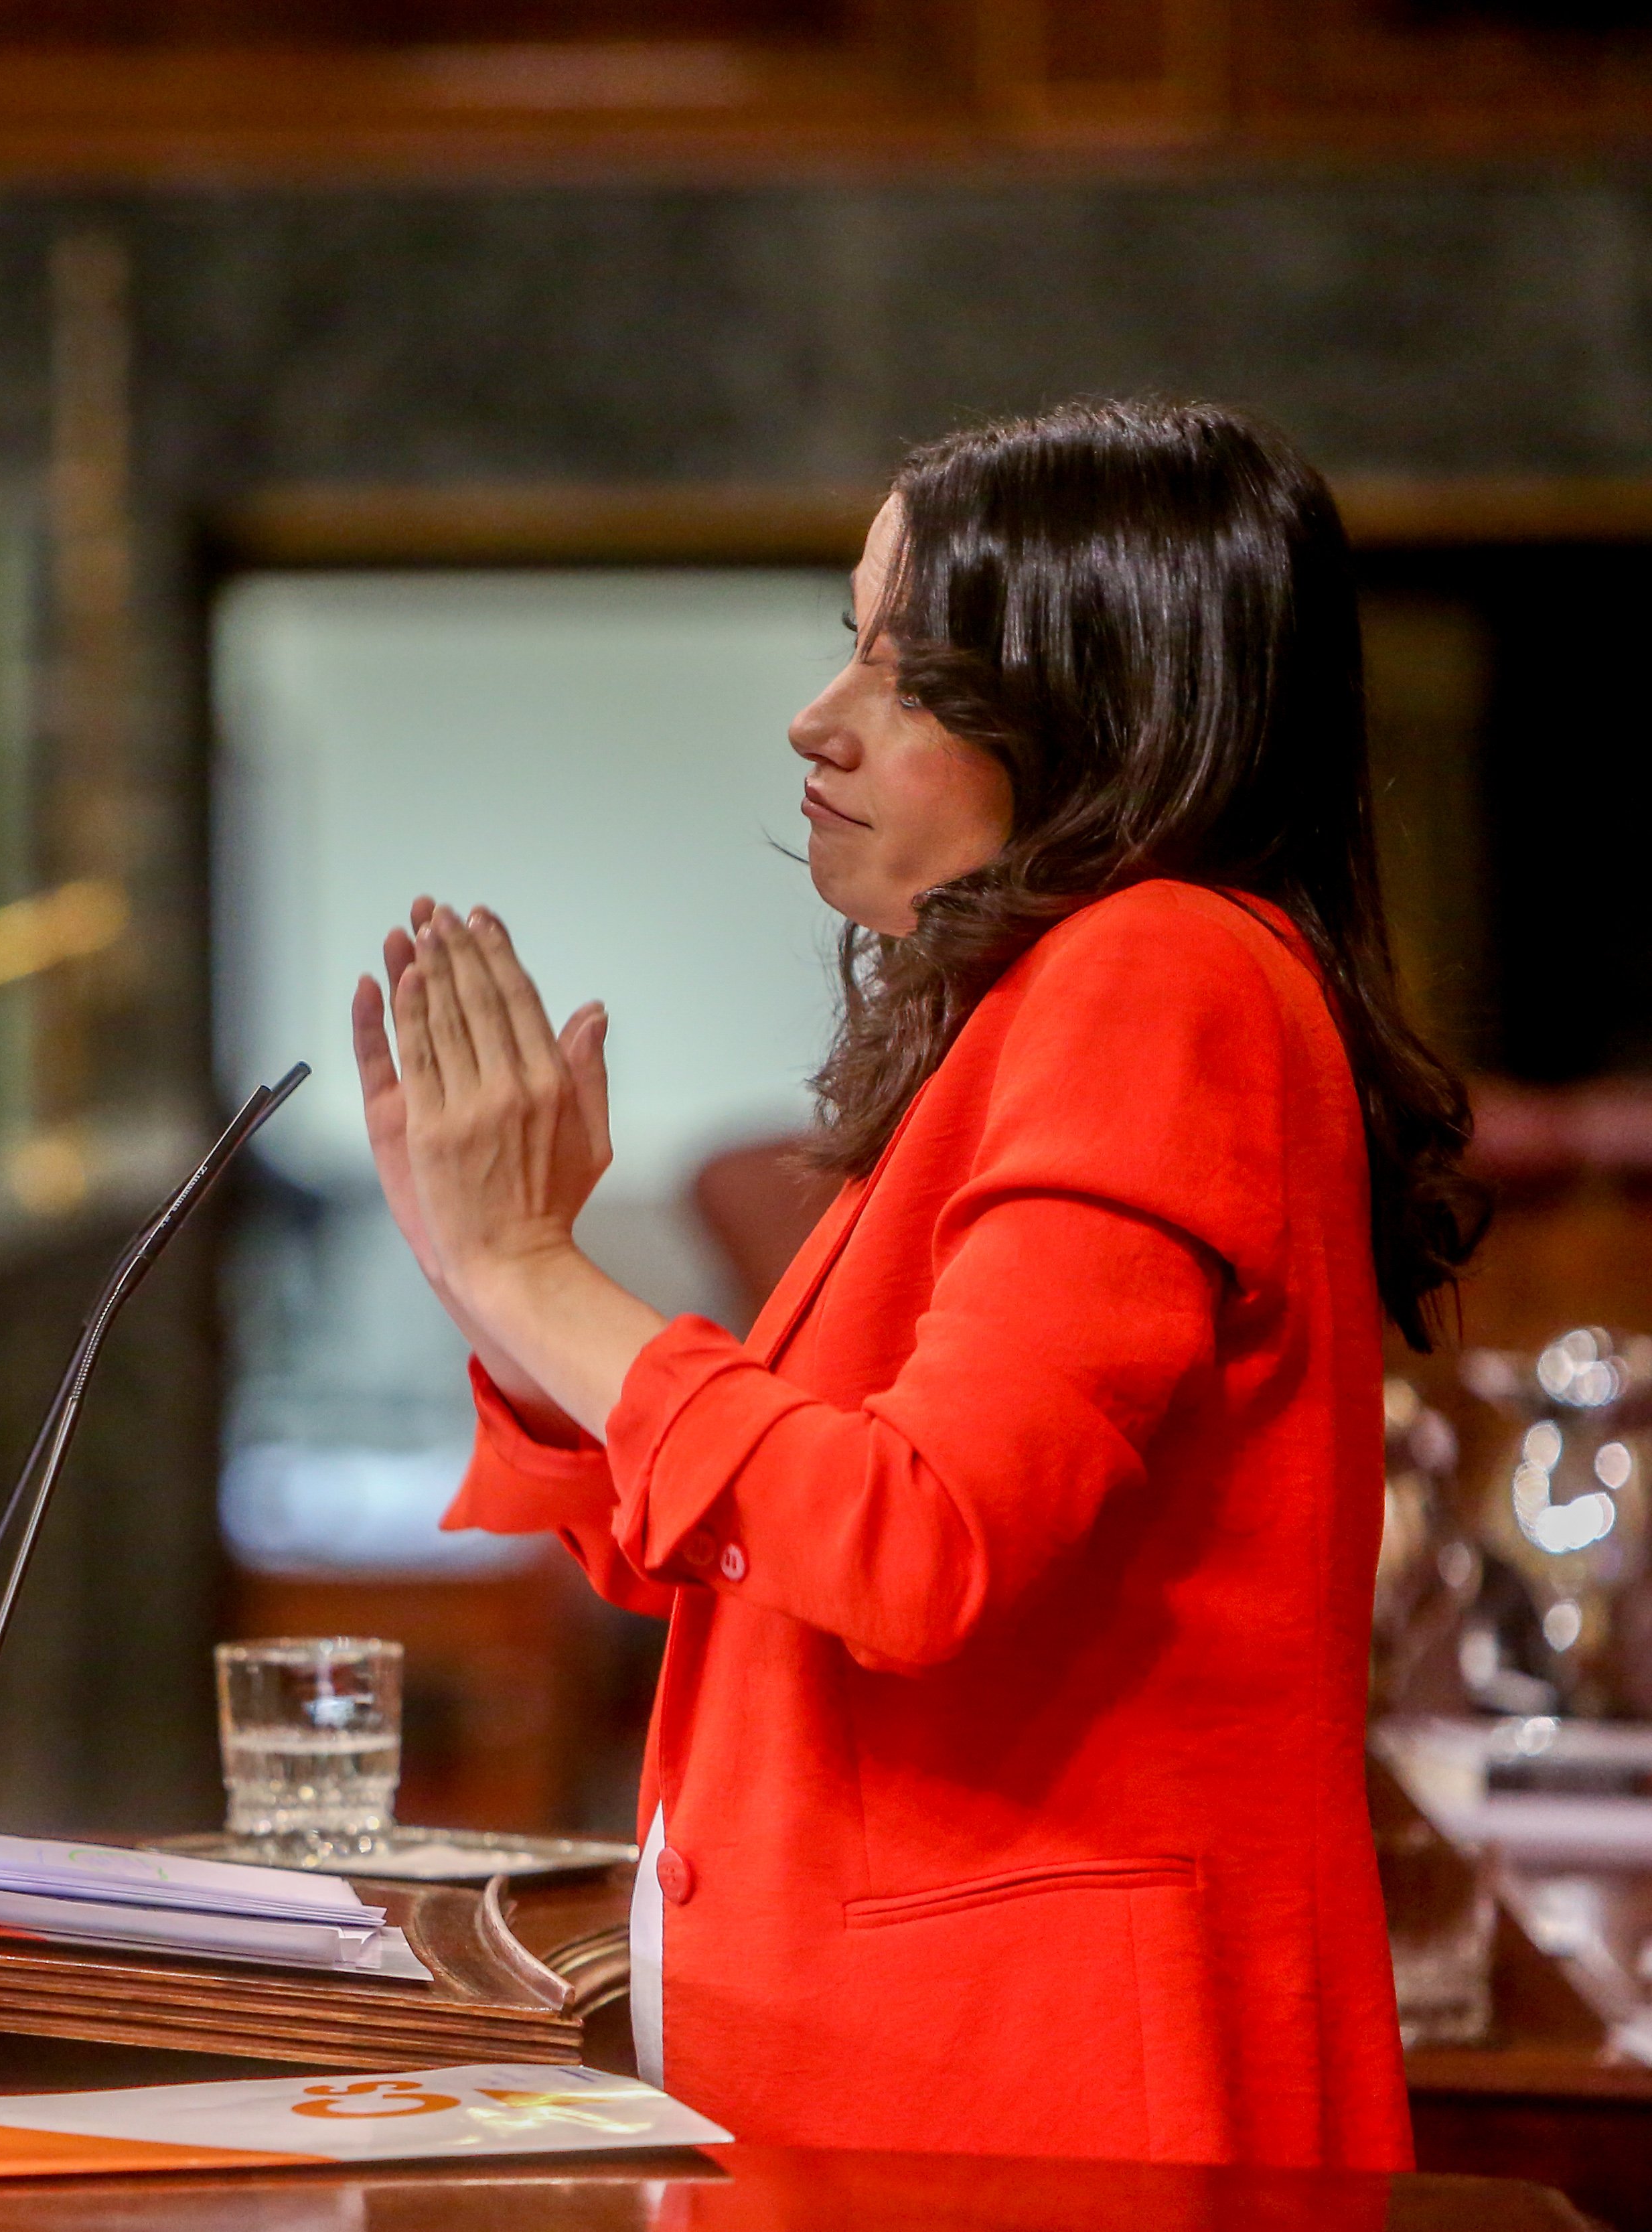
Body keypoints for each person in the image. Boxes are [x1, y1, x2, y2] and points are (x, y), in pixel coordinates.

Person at [352, 398, 1479, 2168]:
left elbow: (917, 1540)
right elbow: (757, 1544)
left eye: (912, 666)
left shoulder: (1158, 969)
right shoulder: (1062, 996)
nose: (819, 719)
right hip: (975, 2090)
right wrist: (501, 1283)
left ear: (1104, 703)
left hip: (1050, 2111)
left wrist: (533, 1268)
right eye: (849, 644)